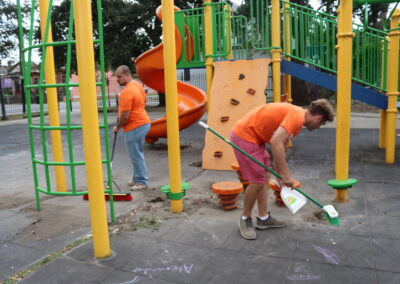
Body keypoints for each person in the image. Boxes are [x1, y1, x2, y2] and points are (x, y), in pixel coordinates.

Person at [231, 99, 334, 240]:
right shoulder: (296, 116)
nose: (318, 127)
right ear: (318, 117)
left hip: (257, 138)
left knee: (265, 176)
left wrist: (280, 175)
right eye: (321, 124)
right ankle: (245, 219)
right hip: (245, 136)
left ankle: (263, 218)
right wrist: (286, 176)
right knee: (258, 180)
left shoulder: (298, 120)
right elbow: (275, 142)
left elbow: (281, 147)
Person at [113, 65, 151, 191]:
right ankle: (137, 178)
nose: (117, 79)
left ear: (127, 74)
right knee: (137, 152)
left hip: (134, 126)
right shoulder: (137, 85)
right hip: (143, 122)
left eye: (119, 76)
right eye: (117, 77)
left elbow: (125, 116)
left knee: (135, 154)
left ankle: (141, 181)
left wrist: (117, 127)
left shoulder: (127, 92)